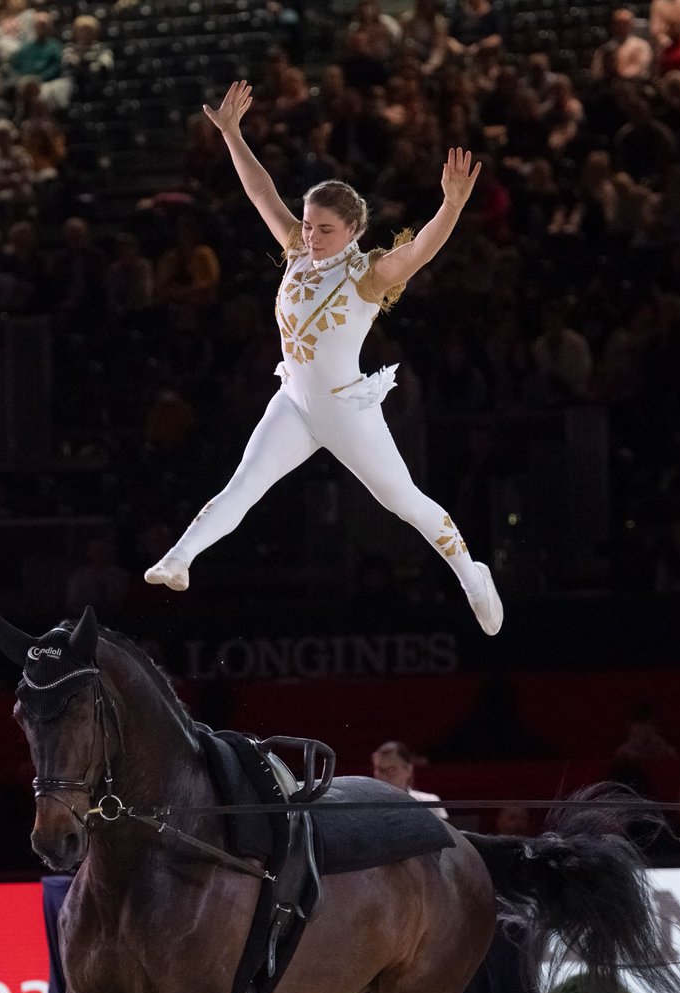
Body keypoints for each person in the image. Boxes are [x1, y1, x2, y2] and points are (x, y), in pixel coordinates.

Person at [145, 80, 503, 636]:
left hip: (345, 411)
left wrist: (451, 205)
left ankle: (472, 575)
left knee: (403, 501)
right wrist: (233, 135)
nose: (309, 236)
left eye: (324, 230)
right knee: (244, 483)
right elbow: (263, 193)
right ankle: (179, 560)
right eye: (308, 225)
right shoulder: (296, 248)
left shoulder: (369, 274)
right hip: (294, 401)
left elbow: (422, 248)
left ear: (355, 231)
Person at [371, 740, 448, 819]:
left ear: (408, 770)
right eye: (380, 770)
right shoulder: (366, 804)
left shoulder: (430, 803)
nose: (385, 776)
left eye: (392, 769)